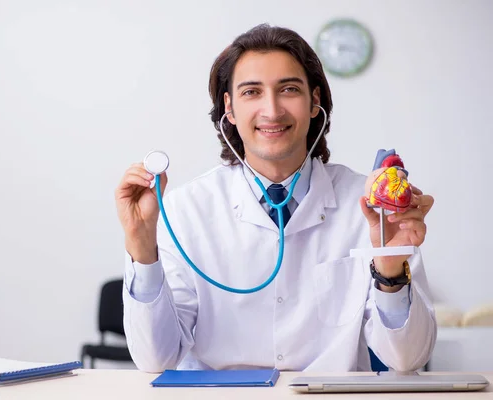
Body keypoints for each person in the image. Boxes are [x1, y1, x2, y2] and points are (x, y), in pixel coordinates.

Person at [114, 24, 436, 373]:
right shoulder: (185, 209)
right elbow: (154, 359)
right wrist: (142, 247)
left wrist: (389, 262)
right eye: (252, 92)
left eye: (289, 89)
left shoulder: (372, 210)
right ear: (230, 109)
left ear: (314, 102)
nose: (272, 110)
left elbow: (407, 359)